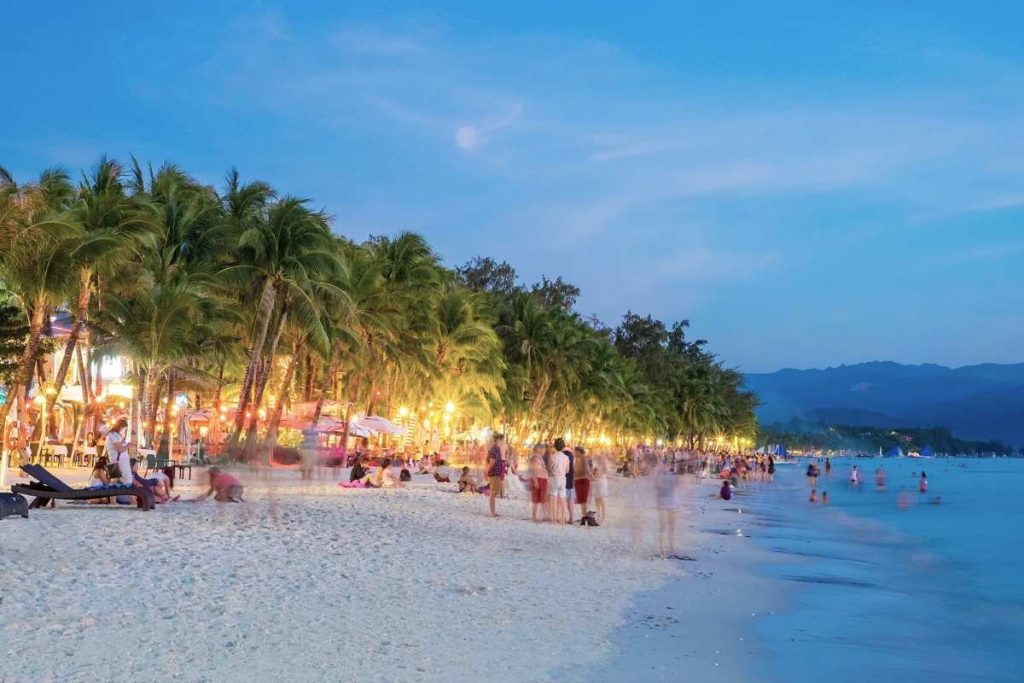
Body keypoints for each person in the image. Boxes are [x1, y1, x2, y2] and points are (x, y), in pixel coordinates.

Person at [654, 464, 680, 559]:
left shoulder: (660, 476)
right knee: (669, 527)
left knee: (664, 527)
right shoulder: (672, 476)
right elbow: (677, 484)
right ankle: (669, 547)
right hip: (670, 503)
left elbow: (657, 487)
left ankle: (664, 549)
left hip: (665, 503)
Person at [547, 442, 570, 524]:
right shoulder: (566, 457)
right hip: (563, 478)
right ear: (563, 447)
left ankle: (554, 520)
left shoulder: (552, 457)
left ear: (555, 447)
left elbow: (549, 469)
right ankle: (563, 519)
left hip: (554, 478)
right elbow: (567, 470)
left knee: (553, 499)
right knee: (563, 499)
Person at [105, 418, 132, 486]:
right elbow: (120, 449)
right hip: (120, 462)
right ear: (121, 427)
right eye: (124, 429)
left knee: (115, 481)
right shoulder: (113, 434)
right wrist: (128, 446)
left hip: (118, 462)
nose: (124, 431)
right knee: (127, 480)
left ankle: (115, 496)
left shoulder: (115, 435)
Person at [485, 434, 506, 517]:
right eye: (503, 440)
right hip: (495, 472)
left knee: (494, 492)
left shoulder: (495, 448)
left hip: (495, 472)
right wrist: (488, 471)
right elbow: (492, 461)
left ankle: (493, 511)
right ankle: (492, 512)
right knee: (493, 493)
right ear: (499, 440)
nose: (504, 442)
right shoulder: (495, 448)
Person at [528, 444, 548, 522]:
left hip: (542, 479)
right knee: (536, 499)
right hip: (538, 479)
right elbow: (533, 470)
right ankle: (534, 516)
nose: (544, 451)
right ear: (538, 449)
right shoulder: (535, 458)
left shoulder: (539, 458)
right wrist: (535, 481)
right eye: (543, 449)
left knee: (541, 498)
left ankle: (540, 516)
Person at [572, 445, 592, 522]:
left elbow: (586, 469)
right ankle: (584, 515)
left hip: (583, 480)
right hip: (578, 480)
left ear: (579, 451)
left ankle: (584, 516)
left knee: (583, 499)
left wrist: (590, 476)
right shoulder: (576, 458)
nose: (574, 452)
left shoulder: (583, 458)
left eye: (575, 451)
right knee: (581, 500)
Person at [591, 450, 610, 525]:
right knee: (596, 500)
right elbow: (594, 473)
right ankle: (598, 516)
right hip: (597, 481)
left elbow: (606, 472)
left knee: (601, 500)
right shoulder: (597, 464)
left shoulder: (604, 463)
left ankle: (603, 517)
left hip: (602, 482)